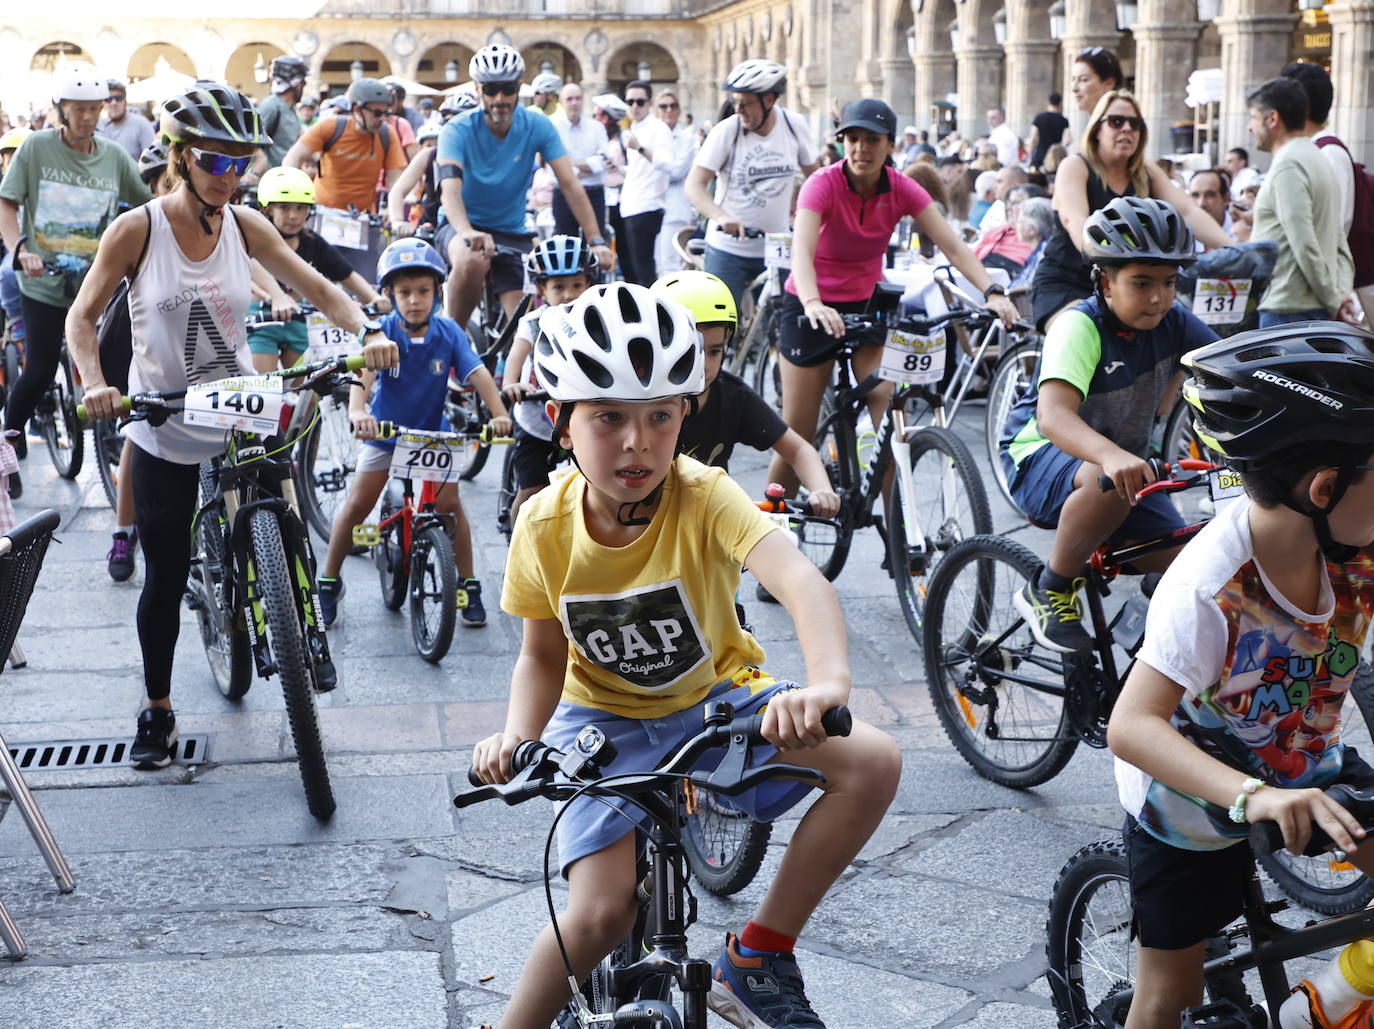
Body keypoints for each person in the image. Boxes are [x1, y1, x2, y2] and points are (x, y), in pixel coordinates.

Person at [470, 280, 901, 1029]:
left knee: (875, 761)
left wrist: (826, 683)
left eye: (660, 417)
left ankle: (758, 953)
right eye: (608, 417)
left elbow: (797, 578)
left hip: (715, 700)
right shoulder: (540, 523)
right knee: (600, 913)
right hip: (599, 718)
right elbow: (541, 655)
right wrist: (518, 736)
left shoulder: (704, 493)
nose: (637, 442)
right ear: (562, 423)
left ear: (684, 415)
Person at [65, 82, 399, 769]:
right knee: (164, 576)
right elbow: (80, 318)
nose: (230, 177)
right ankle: (156, 707)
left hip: (239, 408)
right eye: (215, 163)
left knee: (283, 511)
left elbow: (316, 285)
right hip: (164, 420)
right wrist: (96, 383)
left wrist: (364, 328)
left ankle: (300, 620)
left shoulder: (247, 224)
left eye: (239, 163)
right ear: (181, 157)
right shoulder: (138, 229)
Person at [1106, 323, 1374, 1028]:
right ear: (1324, 486)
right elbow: (1130, 726)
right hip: (1188, 803)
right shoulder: (1209, 585)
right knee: (1168, 996)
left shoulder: (1355, 544)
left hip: (1301, 763)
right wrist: (1250, 795)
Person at [768, 98, 1018, 501]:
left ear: (890, 146)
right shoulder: (822, 183)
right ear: (842, 141)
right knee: (798, 431)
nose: (860, 148)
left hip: (866, 308)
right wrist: (814, 302)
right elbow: (802, 251)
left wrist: (992, 291)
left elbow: (953, 246)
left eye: (872, 139)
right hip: (810, 307)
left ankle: (899, 534)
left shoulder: (901, 188)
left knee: (888, 417)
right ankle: (774, 522)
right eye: (852, 138)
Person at [1001, 196, 1217, 653]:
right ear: (1105, 281)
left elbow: (1230, 362)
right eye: (1141, 283)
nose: (1158, 297)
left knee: (1190, 568)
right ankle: (1050, 586)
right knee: (1109, 479)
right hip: (1039, 456)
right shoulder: (1079, 325)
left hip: (1124, 472)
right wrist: (1111, 454)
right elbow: (1053, 416)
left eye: (1169, 282)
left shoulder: (1173, 320)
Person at [316, 237, 507, 630]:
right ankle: (328, 581)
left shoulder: (449, 332)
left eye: (423, 291)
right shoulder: (382, 331)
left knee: (451, 507)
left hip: (433, 435)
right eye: (404, 292)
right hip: (386, 432)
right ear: (389, 294)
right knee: (357, 504)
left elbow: (477, 373)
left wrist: (500, 414)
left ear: (438, 292)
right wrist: (357, 410)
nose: (415, 300)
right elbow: (363, 374)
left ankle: (469, 584)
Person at [0, 61, 150, 500]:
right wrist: (19, 250)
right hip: (42, 283)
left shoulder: (115, 157)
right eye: (77, 108)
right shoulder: (36, 149)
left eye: (94, 108)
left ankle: (124, 446)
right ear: (61, 109)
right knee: (42, 367)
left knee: (114, 362)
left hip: (95, 284)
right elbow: (7, 204)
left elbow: (149, 207)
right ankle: (7, 442)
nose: (87, 117)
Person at [435, 45, 612, 326]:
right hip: (461, 227)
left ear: (519, 86)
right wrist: (468, 231)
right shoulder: (456, 129)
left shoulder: (537, 125)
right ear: (478, 89)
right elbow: (450, 189)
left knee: (526, 326)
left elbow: (570, 184)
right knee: (471, 259)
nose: (500, 98)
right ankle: (450, 342)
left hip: (511, 231)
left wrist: (597, 240)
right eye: (491, 90)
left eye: (508, 89)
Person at [1030, 90, 1232, 331]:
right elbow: (1075, 222)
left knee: (1183, 332)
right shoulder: (1075, 165)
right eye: (1116, 122)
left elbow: (1187, 212)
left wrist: (1235, 250)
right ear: (1097, 129)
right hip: (1067, 282)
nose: (1126, 129)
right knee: (1083, 330)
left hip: (1129, 286)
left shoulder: (1144, 172)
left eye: (1135, 124)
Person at [652, 269, 841, 520]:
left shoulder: (733, 397)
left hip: (710, 523)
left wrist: (822, 490)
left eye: (715, 351)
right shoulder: (638, 401)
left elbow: (798, 450)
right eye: (691, 349)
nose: (704, 364)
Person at [686, 59, 820, 311]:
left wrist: (805, 215)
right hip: (729, 249)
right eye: (736, 102)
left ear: (769, 100)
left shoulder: (793, 126)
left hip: (778, 248)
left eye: (745, 103)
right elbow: (694, 185)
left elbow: (817, 181)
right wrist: (721, 216)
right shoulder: (727, 131)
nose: (738, 110)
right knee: (721, 325)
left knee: (785, 322)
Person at [249, 166, 388, 373]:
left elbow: (345, 274)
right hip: (262, 321)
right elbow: (250, 266)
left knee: (305, 395)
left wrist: (373, 298)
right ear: (267, 209)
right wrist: (276, 296)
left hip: (300, 321)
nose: (293, 216)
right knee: (264, 390)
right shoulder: (254, 237)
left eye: (301, 208)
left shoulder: (312, 242)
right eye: (284, 208)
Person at [500, 236, 599, 528]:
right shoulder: (533, 321)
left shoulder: (595, 320)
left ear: (589, 285)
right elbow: (517, 354)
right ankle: (518, 547)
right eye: (558, 287)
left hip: (578, 416)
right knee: (531, 492)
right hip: (536, 420)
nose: (568, 294)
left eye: (576, 285)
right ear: (542, 289)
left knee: (592, 484)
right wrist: (511, 383)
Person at [1245, 77, 1357, 327]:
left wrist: (1334, 299)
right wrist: (1340, 293)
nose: (1250, 126)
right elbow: (1338, 240)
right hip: (1307, 306)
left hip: (1288, 307)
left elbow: (1304, 243)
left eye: (1253, 117)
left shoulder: (1289, 164)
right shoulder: (1317, 158)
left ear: (1272, 118)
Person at [282, 78, 407, 215]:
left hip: (362, 214)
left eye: (386, 113)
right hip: (324, 210)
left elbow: (395, 179)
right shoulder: (331, 127)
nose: (382, 119)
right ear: (357, 110)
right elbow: (292, 158)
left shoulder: (387, 134)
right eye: (377, 113)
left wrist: (391, 209)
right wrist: (292, 197)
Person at [614, 80, 675, 286]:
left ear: (649, 104)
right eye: (630, 101)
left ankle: (652, 315)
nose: (634, 106)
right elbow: (639, 170)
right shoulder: (633, 128)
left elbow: (667, 164)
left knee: (645, 271)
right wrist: (617, 168)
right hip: (629, 206)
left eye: (639, 102)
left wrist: (640, 148)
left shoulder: (659, 128)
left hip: (647, 206)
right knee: (630, 270)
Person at [548, 82, 608, 238]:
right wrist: (588, 166)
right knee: (566, 246)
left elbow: (603, 162)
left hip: (593, 193)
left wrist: (568, 165)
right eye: (569, 99)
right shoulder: (554, 129)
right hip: (563, 196)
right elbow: (553, 168)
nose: (574, 103)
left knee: (596, 243)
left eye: (578, 98)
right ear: (561, 102)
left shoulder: (597, 128)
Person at [651, 91, 698, 275]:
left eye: (673, 106)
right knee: (656, 264)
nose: (668, 110)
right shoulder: (653, 137)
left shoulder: (686, 139)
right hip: (652, 205)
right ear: (657, 110)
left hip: (675, 208)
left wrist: (648, 158)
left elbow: (676, 172)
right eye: (663, 106)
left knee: (671, 265)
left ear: (679, 110)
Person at [247, 55, 308, 179]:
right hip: (267, 187)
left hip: (285, 185)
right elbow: (249, 140)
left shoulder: (291, 110)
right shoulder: (271, 106)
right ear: (297, 84)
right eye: (303, 82)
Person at [385, 120, 445, 236]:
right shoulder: (428, 156)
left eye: (438, 144)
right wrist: (397, 221)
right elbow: (398, 191)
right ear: (420, 147)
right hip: (429, 225)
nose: (433, 147)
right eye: (429, 145)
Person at [97, 80, 154, 162]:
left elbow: (152, 160)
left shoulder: (141, 124)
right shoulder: (98, 127)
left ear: (125, 101)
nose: (114, 103)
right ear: (103, 103)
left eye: (118, 98)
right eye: (108, 99)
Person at [1009, 195, 1055, 288]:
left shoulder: (1044, 254)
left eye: (1019, 222)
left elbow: (1024, 288)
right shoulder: (1042, 248)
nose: (1014, 226)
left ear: (1032, 230)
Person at [1070, 46, 1124, 118]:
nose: (1074, 89)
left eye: (1084, 79)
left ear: (1109, 84)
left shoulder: (1118, 126)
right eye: (1073, 79)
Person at [1029, 92, 1071, 169]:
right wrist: (1060, 148)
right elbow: (1069, 140)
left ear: (1048, 101)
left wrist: (1030, 156)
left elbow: (1033, 139)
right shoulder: (1064, 120)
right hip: (1056, 157)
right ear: (1060, 103)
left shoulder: (1039, 117)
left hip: (1040, 156)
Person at [1186, 167, 1232, 235]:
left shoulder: (1242, 235)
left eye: (1209, 195)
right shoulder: (1183, 234)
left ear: (1225, 199)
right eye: (1195, 195)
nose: (1201, 203)